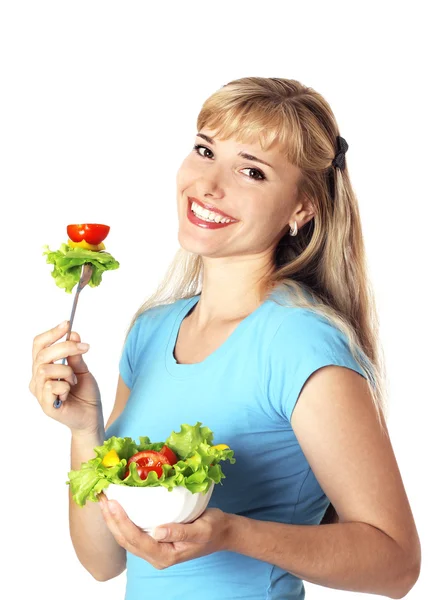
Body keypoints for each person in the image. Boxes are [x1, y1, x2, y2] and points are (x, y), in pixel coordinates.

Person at [29, 77, 421, 599]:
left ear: (302, 208)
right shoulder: (151, 331)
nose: (208, 184)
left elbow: (396, 565)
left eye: (251, 171)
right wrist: (84, 431)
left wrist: (232, 533)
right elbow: (104, 562)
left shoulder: (300, 343)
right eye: (204, 149)